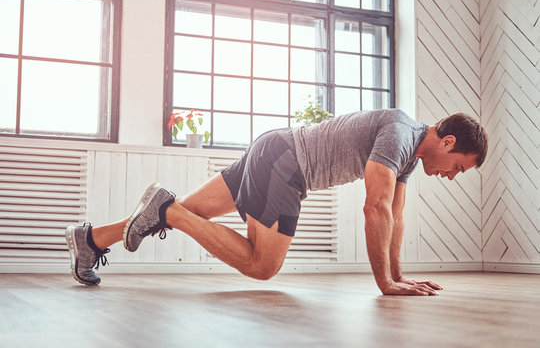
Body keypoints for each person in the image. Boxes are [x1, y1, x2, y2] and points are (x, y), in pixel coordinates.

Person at [65, 109, 488, 295]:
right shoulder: (398, 136)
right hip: (286, 164)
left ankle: (89, 239)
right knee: (262, 265)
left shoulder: (410, 153)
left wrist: (401, 277)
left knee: (186, 215)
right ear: (447, 142)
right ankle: (167, 209)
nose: (452, 176)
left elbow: (394, 216)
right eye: (458, 167)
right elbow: (374, 208)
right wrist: (386, 285)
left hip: (275, 148)